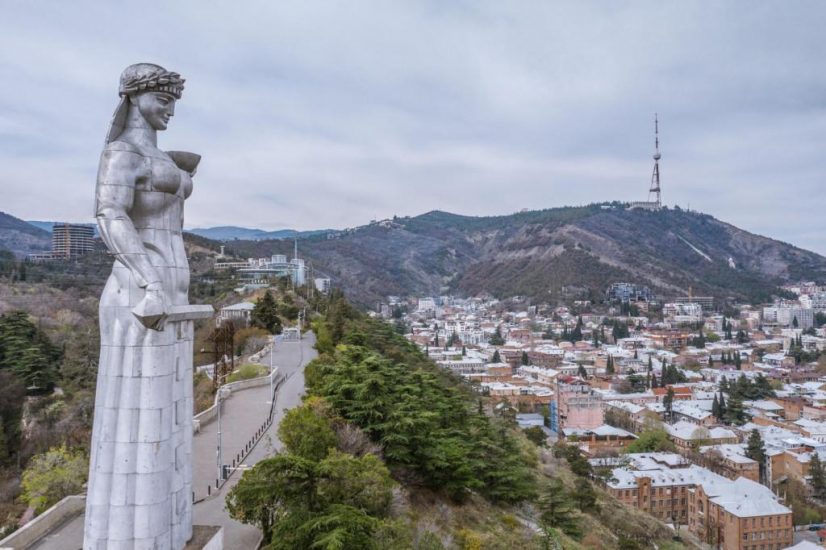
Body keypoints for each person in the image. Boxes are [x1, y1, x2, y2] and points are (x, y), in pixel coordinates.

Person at [85, 63, 199, 549]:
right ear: (134, 97)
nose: (170, 108)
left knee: (171, 420)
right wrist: (149, 279)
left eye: (174, 99)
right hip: (142, 289)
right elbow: (110, 214)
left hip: (174, 292)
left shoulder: (157, 155)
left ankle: (174, 534)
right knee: (142, 420)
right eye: (161, 98)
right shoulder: (121, 152)